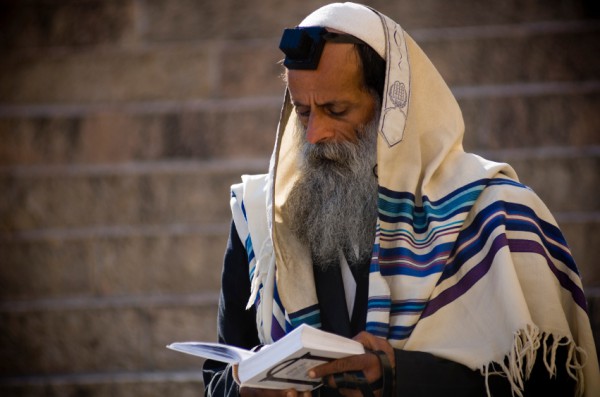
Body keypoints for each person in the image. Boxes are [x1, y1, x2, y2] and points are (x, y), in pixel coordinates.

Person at [202, 3, 600, 396]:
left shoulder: (493, 211)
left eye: (336, 110)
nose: (314, 135)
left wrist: (398, 377)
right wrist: (245, 390)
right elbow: (218, 378)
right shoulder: (262, 218)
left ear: (395, 111)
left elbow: (549, 380)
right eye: (304, 113)